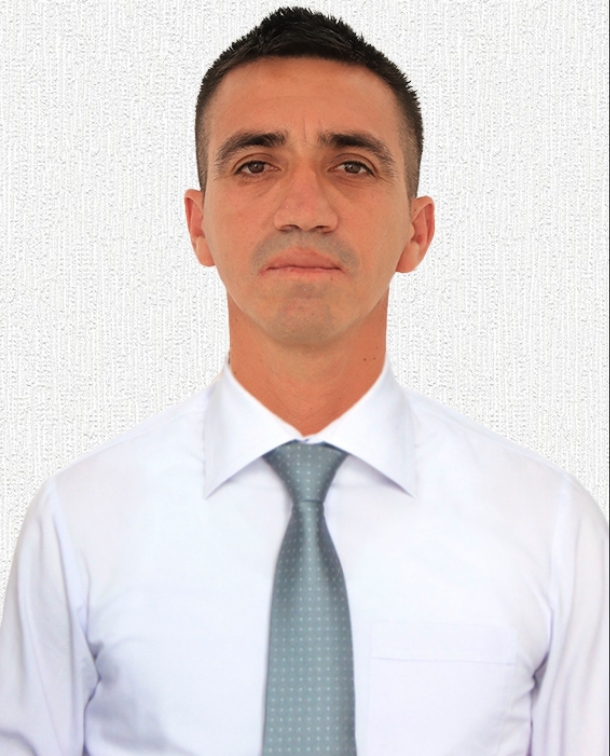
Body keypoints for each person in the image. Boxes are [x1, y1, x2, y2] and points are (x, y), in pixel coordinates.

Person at [0, 6, 607, 755]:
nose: (305, 210)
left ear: (417, 231)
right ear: (198, 224)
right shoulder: (79, 524)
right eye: (256, 164)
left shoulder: (551, 529)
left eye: (352, 165)